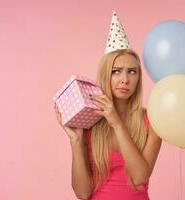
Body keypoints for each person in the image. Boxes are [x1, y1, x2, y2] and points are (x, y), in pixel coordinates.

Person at [54, 11, 162, 200]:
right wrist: (76, 141)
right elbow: (82, 193)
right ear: (106, 75)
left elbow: (139, 177)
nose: (125, 80)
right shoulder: (89, 121)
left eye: (132, 72)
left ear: (139, 77)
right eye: (116, 71)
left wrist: (117, 123)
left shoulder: (152, 120)